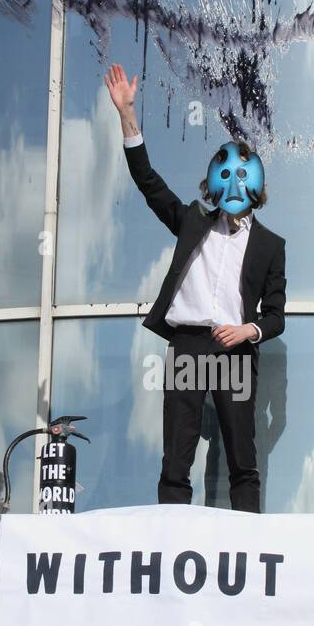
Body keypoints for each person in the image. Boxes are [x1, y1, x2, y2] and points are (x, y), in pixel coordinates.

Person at [105, 62, 287, 513]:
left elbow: (277, 315)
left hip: (234, 351)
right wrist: (127, 115)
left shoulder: (271, 246)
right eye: (227, 176)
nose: (235, 186)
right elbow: (149, 183)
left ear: (258, 187)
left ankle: (248, 547)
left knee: (243, 459)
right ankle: (172, 543)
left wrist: (248, 331)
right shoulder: (193, 221)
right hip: (188, 345)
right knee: (176, 458)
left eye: (245, 178)